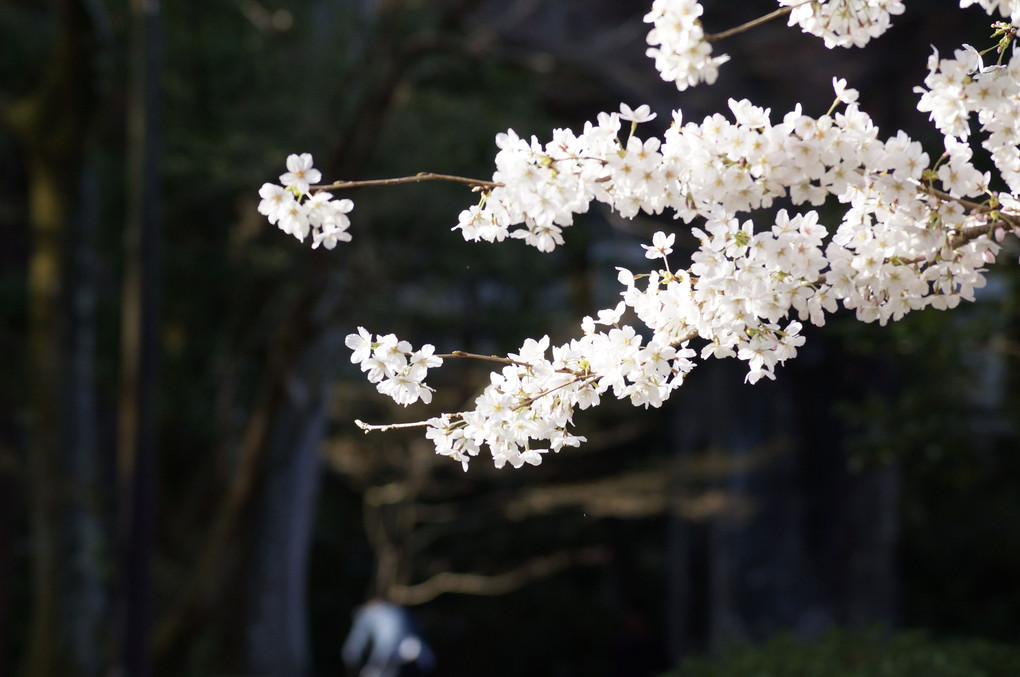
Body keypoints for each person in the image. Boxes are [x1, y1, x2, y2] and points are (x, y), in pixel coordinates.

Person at [342, 599, 436, 677]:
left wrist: (371, 667)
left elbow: (357, 644)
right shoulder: (396, 611)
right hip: (411, 651)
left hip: (402, 651)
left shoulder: (368, 615)